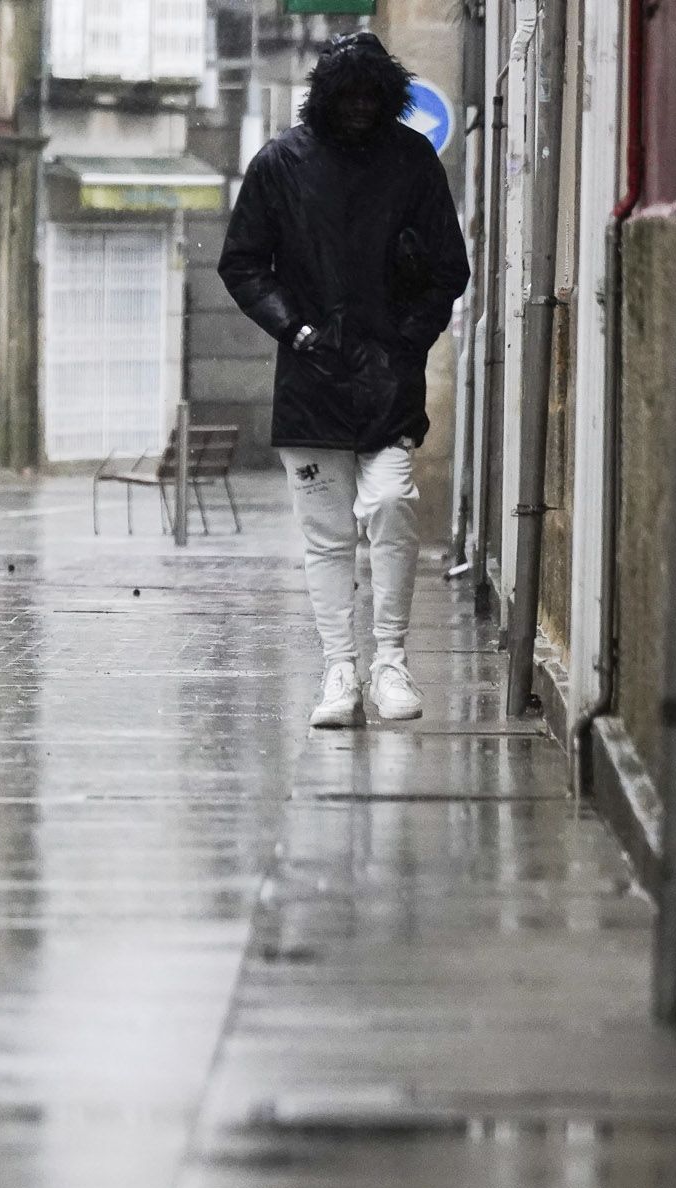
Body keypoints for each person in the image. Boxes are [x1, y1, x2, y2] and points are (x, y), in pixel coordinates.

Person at [219, 32, 469, 729]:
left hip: (386, 378)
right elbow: (241, 263)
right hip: (310, 376)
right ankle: (339, 667)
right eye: (347, 94)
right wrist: (295, 330)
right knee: (324, 533)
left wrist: (405, 339)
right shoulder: (279, 164)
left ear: (386, 95)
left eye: (371, 94)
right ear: (327, 97)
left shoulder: (411, 161)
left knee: (391, 504)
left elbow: (449, 269)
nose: (359, 108)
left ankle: (389, 658)